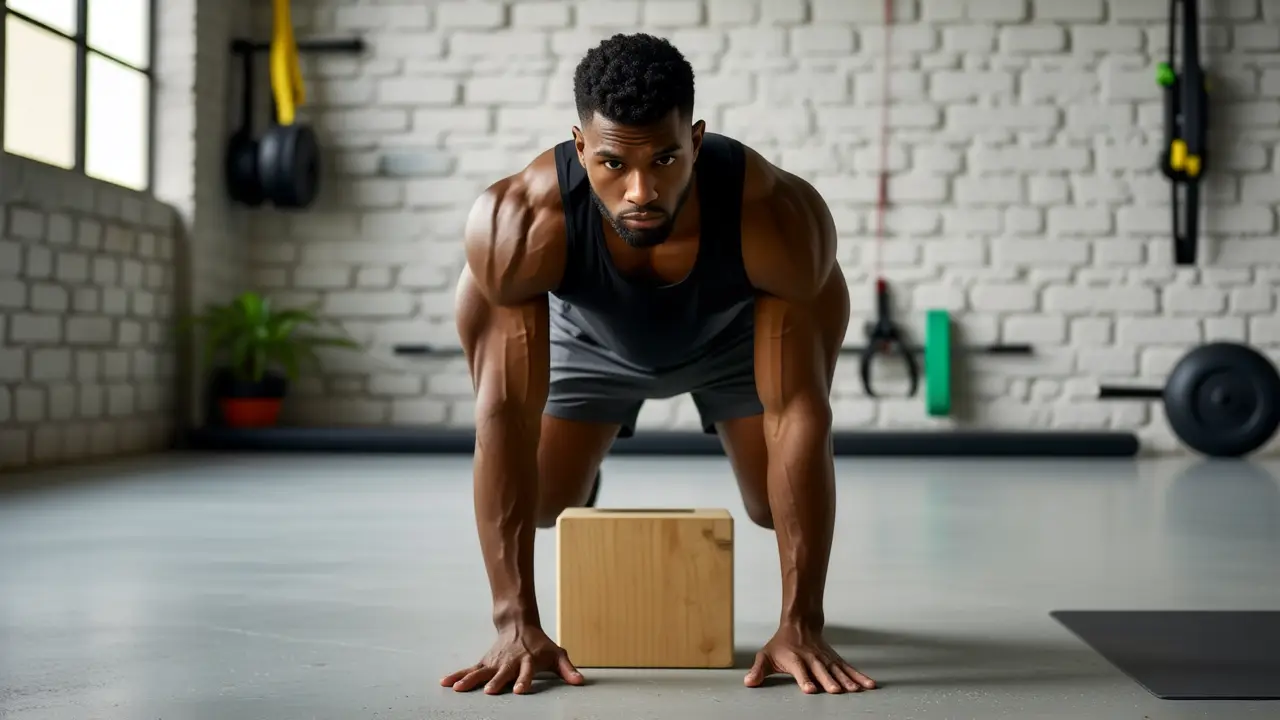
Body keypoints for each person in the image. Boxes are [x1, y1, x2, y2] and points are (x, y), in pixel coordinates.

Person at [441, 32, 876, 697]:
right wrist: (513, 622)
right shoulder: (522, 223)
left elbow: (798, 412)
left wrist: (801, 623)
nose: (640, 190)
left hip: (733, 342)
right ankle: (579, 476)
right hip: (588, 345)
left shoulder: (777, 218)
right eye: (613, 163)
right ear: (581, 146)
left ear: (696, 141)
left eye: (667, 158)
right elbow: (502, 413)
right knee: (542, 503)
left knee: (770, 509)